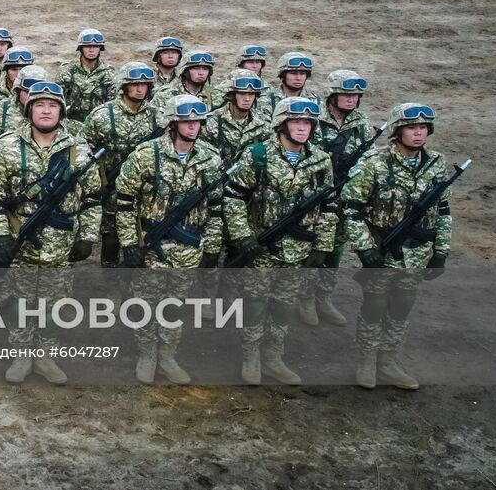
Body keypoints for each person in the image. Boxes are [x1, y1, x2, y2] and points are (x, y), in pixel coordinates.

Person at [0, 81, 101, 384]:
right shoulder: (8, 145)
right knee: (20, 303)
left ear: (61, 110)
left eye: (52, 105)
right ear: (29, 109)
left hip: (60, 245)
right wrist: (0, 235)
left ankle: (45, 356)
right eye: (39, 105)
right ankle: (21, 355)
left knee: (54, 306)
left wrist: (87, 236)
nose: (46, 110)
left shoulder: (78, 150)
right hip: (21, 241)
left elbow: (92, 199)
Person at [224, 97, 337, 386]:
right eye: (296, 122)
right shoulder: (257, 155)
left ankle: (274, 356)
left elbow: (329, 206)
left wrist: (323, 244)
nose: (303, 128)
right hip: (261, 248)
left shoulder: (321, 159)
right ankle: (250, 356)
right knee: (255, 304)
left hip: (299, 250)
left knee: (284, 305)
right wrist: (242, 237)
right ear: (281, 124)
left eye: (308, 123)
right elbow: (233, 197)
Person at [339, 103, 453, 390]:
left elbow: (443, 210)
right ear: (397, 131)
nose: (418, 133)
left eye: (423, 128)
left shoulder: (436, 163)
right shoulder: (376, 164)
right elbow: (350, 208)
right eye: (412, 128)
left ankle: (388, 361)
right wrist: (365, 248)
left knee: (402, 306)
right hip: (383, 249)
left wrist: (441, 251)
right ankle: (366, 361)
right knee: (375, 305)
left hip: (417, 251)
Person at [115, 94, 225, 385]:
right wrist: (129, 243)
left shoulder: (210, 158)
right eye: (186, 120)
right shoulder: (145, 155)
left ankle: (168, 355)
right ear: (173, 123)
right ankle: (147, 354)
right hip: (151, 246)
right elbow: (125, 203)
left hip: (189, 247)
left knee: (175, 305)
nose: (193, 126)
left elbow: (215, 208)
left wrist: (212, 246)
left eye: (197, 121)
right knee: (146, 303)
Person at [304, 69, 373, 327]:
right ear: (333, 94)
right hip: (315, 193)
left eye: (355, 95)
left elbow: (369, 156)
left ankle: (323, 297)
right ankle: (305, 299)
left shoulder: (361, 122)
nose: (351, 99)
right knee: (311, 248)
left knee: (334, 250)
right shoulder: (312, 116)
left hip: (344, 195)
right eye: (345, 94)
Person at [83, 61, 160, 267]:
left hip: (146, 189)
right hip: (110, 186)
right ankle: (109, 275)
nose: (140, 88)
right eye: (135, 84)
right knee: (111, 235)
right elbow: (84, 150)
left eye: (144, 85)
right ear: (123, 86)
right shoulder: (101, 115)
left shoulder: (156, 116)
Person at [203, 70, 272, 166]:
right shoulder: (212, 122)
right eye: (242, 93)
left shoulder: (263, 123)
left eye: (251, 94)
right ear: (231, 95)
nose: (247, 99)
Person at [57, 28, 117, 123]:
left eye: (95, 46)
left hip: (99, 122)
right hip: (70, 121)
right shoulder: (67, 70)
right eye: (87, 46)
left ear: (100, 48)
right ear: (81, 48)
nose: (91, 50)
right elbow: (57, 99)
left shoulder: (109, 73)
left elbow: (114, 103)